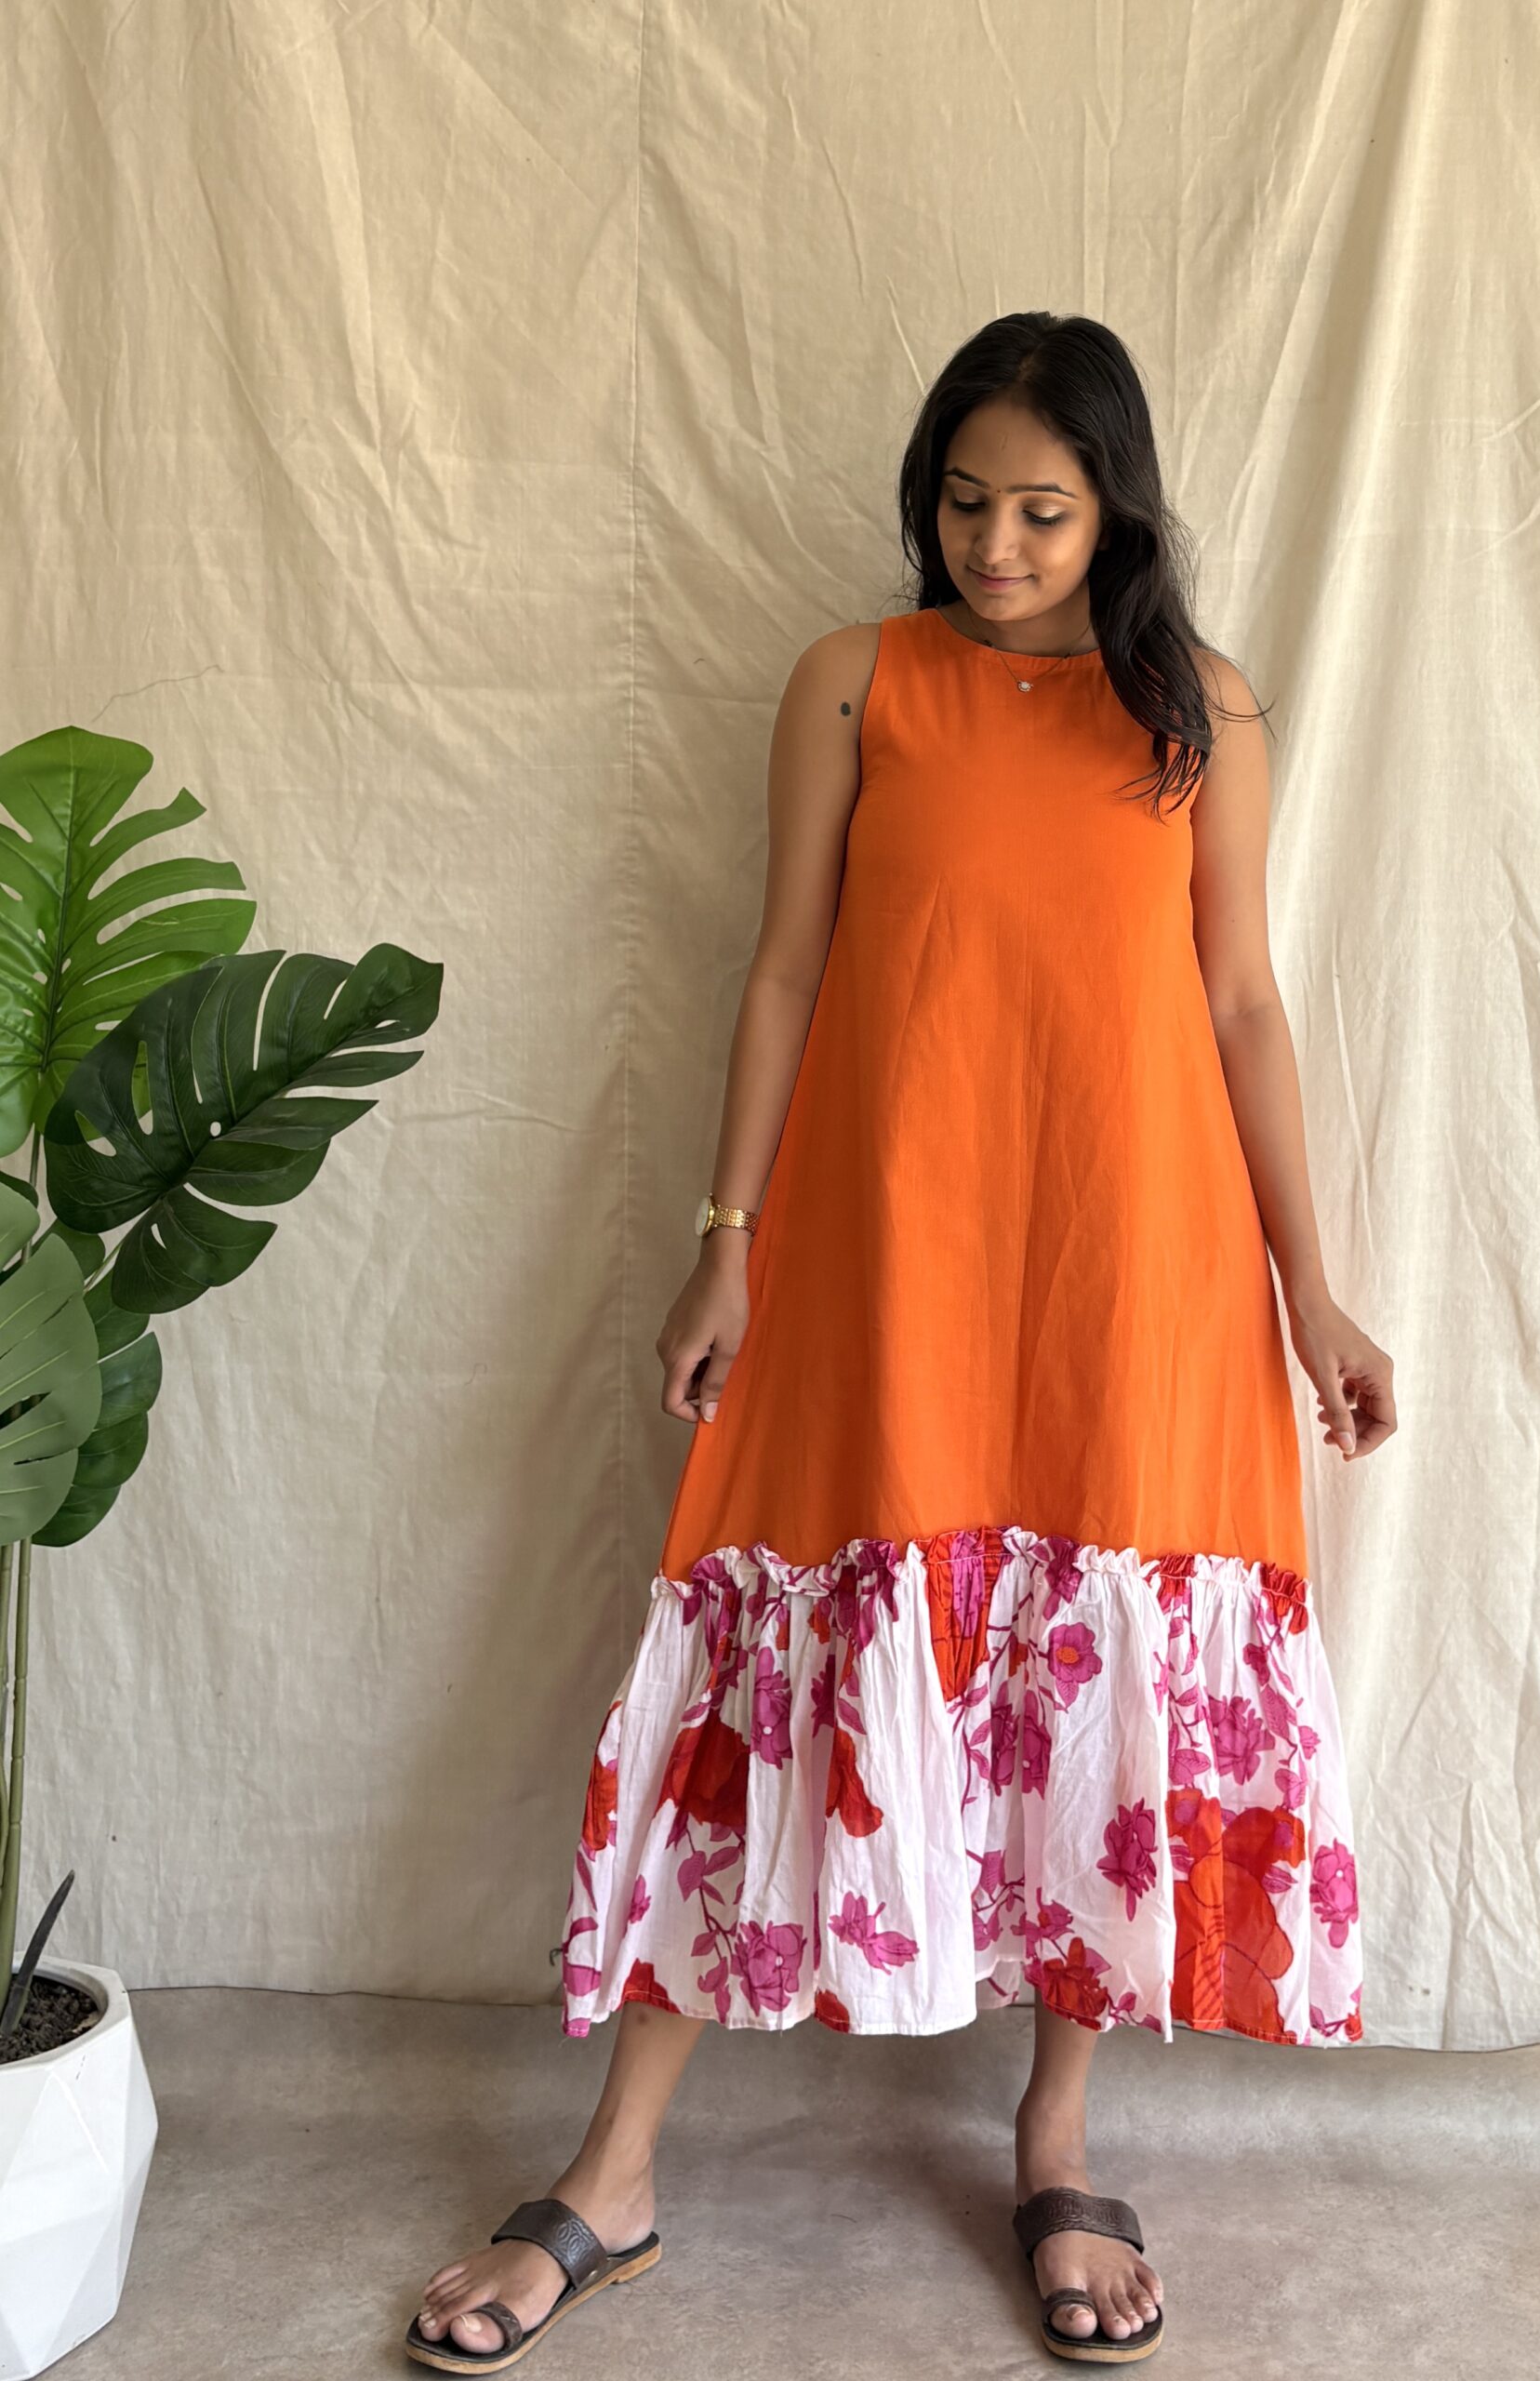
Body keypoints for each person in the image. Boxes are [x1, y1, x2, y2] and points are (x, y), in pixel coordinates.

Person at [407, 311, 1396, 2373]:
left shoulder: (1201, 710)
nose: (996, 546)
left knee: (1103, 1677)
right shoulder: (856, 681)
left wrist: (1313, 1289)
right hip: (886, 1251)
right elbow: (783, 967)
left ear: (1116, 511)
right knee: (773, 1636)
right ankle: (615, 2169)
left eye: (1042, 510)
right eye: (963, 502)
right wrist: (726, 1242)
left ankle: (1057, 2143)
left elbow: (1241, 1002)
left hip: (1136, 1263)